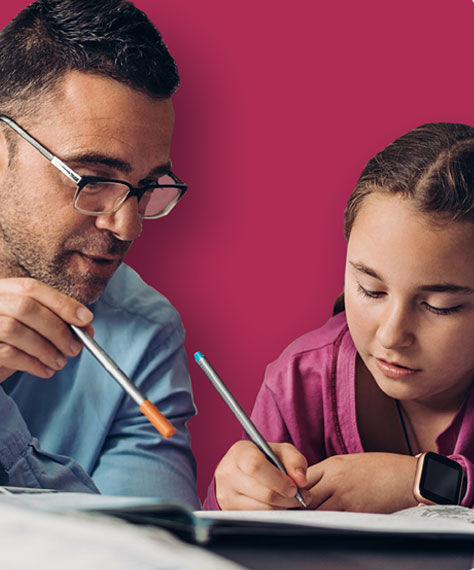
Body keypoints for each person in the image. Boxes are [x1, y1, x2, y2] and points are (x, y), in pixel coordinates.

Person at [205, 122, 474, 512]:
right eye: (370, 290)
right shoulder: (300, 382)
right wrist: (232, 495)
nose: (392, 334)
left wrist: (420, 481)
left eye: (439, 306)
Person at [0, 0, 199, 509]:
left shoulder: (143, 335)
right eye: (91, 179)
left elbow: (145, 550)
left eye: (148, 186)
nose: (126, 224)